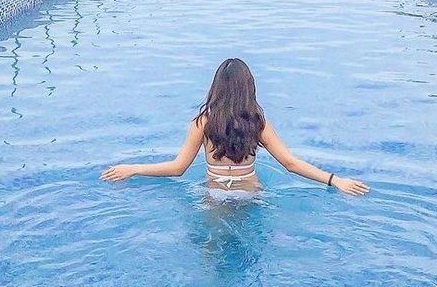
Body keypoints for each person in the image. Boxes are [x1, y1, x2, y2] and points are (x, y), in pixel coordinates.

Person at [101, 57, 369, 196]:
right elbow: (290, 164)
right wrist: (336, 181)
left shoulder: (203, 122)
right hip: (250, 194)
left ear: (216, 87)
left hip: (215, 193)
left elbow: (178, 168)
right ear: (248, 87)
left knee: (212, 253)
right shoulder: (257, 122)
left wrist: (133, 168)